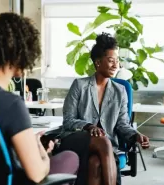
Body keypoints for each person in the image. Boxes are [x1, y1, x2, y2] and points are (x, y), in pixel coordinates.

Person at [0, 12, 79, 184]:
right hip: (13, 180)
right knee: (70, 157)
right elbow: (37, 174)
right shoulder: (11, 104)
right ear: (20, 54)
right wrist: (43, 153)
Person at [57, 32, 150, 185]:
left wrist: (136, 135)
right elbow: (68, 121)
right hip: (77, 140)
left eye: (117, 61)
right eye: (111, 60)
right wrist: (88, 126)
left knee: (95, 163)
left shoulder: (120, 90)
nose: (116, 65)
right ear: (98, 62)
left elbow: (122, 124)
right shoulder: (79, 86)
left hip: (104, 150)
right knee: (104, 141)